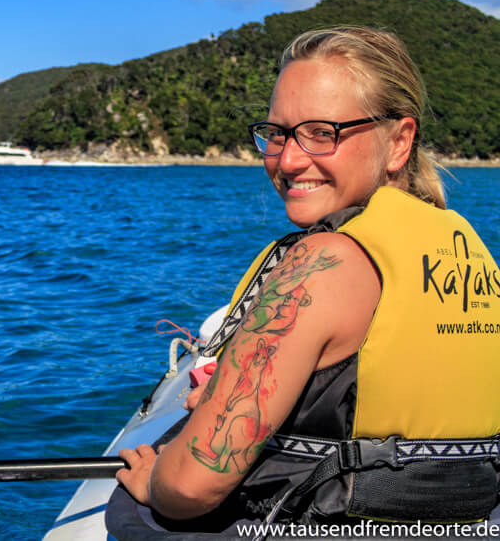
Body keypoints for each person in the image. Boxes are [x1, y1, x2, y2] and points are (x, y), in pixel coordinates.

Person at [109, 26, 500, 537]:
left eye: (322, 132)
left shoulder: (324, 263)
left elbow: (191, 487)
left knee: (131, 509)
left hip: (332, 521)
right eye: (276, 133)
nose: (288, 160)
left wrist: (155, 479)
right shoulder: (468, 253)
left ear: (400, 141)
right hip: (460, 520)